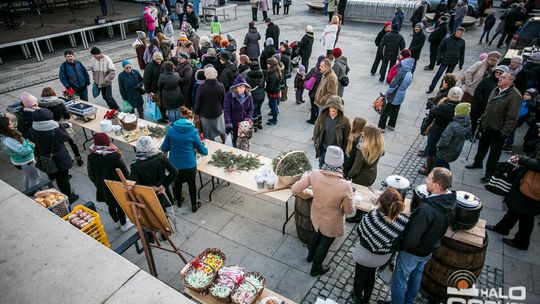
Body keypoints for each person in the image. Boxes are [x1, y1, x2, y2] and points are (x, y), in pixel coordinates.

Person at [387, 167, 455, 304]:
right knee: (416, 275)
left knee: (399, 281)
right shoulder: (451, 202)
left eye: (429, 178)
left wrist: (401, 247)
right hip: (428, 249)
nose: (426, 180)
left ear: (436, 185)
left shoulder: (426, 210)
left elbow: (412, 238)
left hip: (413, 251)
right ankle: (409, 301)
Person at [291, 145, 354, 276]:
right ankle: (316, 268)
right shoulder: (345, 185)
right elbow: (349, 211)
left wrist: (309, 193)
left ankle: (310, 257)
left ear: (326, 159)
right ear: (341, 163)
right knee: (324, 244)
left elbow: (294, 189)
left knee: (316, 234)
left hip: (316, 215)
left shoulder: (314, 174)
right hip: (331, 221)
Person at [352, 188, 408, 304]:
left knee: (360, 275)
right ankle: (366, 299)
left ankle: (357, 297)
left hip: (364, 256)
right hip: (382, 258)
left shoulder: (372, 217)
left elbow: (360, 231)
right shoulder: (402, 221)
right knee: (370, 274)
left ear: (381, 202)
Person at [466, 72, 521, 183]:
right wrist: (483, 119)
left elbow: (512, 117)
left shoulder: (515, 96)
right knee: (482, 146)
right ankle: (478, 162)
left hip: (499, 130)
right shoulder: (496, 89)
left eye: (503, 77)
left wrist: (504, 132)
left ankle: (489, 174)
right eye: (500, 76)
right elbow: (489, 107)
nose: (500, 78)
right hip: (487, 125)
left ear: (511, 81)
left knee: (494, 154)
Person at [486, 147, 540, 250]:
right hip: (527, 181)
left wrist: (522, 159)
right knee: (517, 207)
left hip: (532, 187)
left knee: (526, 215)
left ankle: (521, 242)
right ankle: (503, 228)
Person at [161, 107, 208, 212]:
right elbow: (202, 150)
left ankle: (178, 201)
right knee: (192, 184)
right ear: (190, 119)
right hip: (189, 165)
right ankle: (194, 205)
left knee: (177, 183)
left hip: (174, 165)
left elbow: (164, 148)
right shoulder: (193, 131)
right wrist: (205, 149)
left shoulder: (171, 130)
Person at [29, 108, 78, 203]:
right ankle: (68, 197)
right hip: (59, 158)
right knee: (63, 180)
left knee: (54, 173)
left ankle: (53, 177)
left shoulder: (32, 129)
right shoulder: (54, 129)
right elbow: (66, 137)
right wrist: (60, 126)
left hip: (44, 156)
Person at [87, 133, 134, 232]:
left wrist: (98, 184)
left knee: (110, 204)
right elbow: (124, 172)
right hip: (116, 185)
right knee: (120, 204)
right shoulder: (115, 156)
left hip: (102, 185)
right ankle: (124, 224)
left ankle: (116, 222)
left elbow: (91, 174)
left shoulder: (91, 156)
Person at [418, 87, 463, 175]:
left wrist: (432, 106)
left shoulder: (443, 106)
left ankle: (430, 169)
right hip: (449, 134)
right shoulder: (459, 108)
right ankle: (434, 170)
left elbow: (432, 114)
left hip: (437, 131)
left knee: (431, 151)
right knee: (440, 153)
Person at [38, 87, 84, 167]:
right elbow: (67, 116)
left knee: (60, 145)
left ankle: (68, 159)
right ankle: (78, 158)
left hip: (49, 127)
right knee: (72, 142)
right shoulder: (59, 103)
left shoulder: (40, 104)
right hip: (61, 124)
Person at [130, 136, 178, 210]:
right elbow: (174, 172)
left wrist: (152, 188)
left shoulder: (136, 165)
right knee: (162, 210)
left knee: (154, 212)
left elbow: (134, 182)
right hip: (161, 190)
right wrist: (163, 186)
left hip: (148, 193)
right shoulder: (161, 156)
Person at [0, 116, 41, 191]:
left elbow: (21, 142)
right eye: (9, 124)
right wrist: (31, 145)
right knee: (35, 179)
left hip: (19, 161)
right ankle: (34, 193)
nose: (12, 124)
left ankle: (28, 190)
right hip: (26, 161)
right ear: (4, 128)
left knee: (28, 176)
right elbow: (24, 151)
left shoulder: (6, 134)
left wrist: (27, 142)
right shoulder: (8, 140)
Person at [378, 55, 413, 132]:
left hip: (394, 94)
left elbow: (394, 84)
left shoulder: (402, 72)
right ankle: (391, 125)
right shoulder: (410, 73)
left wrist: (387, 92)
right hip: (401, 95)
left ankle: (381, 127)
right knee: (395, 110)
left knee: (386, 110)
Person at [313, 95, 351, 166]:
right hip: (324, 149)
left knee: (333, 169)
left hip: (336, 150)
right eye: (331, 106)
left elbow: (347, 137)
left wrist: (344, 150)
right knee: (322, 166)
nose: (334, 109)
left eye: (336, 107)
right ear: (328, 107)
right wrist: (316, 143)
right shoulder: (322, 118)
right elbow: (316, 132)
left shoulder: (345, 121)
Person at [426, 27, 465, 93]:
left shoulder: (462, 42)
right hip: (445, 60)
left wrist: (461, 64)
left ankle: (442, 89)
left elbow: (462, 53)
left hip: (453, 62)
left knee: (448, 78)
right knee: (438, 74)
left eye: (461, 33)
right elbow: (440, 49)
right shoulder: (447, 39)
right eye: (459, 33)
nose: (460, 34)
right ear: (456, 32)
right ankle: (431, 88)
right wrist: (438, 60)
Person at [470, 65, 507, 135]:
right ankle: (472, 133)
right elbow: (478, 90)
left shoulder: (503, 85)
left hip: (491, 107)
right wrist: (481, 101)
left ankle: (478, 133)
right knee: (474, 119)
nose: (498, 74)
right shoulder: (487, 80)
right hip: (480, 105)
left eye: (500, 73)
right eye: (497, 72)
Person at [434, 102, 472, 169]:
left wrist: (438, 146)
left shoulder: (452, 126)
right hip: (455, 151)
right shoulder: (468, 123)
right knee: (444, 164)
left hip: (445, 152)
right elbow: (468, 136)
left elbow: (444, 140)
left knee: (439, 166)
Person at [194, 67, 227, 142]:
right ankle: (224, 140)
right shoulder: (221, 86)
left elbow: (198, 102)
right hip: (218, 111)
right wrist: (222, 109)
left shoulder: (201, 87)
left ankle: (212, 144)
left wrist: (196, 112)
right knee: (220, 128)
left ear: (206, 75)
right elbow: (223, 100)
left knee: (208, 132)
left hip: (205, 113)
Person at [224, 75, 255, 146]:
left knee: (244, 142)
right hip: (234, 124)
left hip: (245, 125)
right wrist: (228, 123)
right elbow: (226, 111)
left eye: (243, 87)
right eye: (240, 87)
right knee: (235, 142)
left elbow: (251, 108)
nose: (242, 89)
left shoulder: (248, 95)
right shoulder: (230, 96)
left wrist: (248, 117)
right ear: (235, 88)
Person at [143, 52, 166, 123]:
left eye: (160, 59)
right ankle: (160, 118)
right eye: (157, 59)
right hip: (154, 89)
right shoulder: (149, 67)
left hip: (162, 88)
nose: (159, 61)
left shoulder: (163, 64)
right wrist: (148, 91)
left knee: (163, 103)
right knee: (158, 104)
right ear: (154, 59)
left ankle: (164, 115)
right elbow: (146, 80)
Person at [246, 61, 266, 132]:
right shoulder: (261, 74)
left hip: (253, 95)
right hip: (261, 95)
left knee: (254, 110)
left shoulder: (248, 75)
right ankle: (259, 124)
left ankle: (255, 126)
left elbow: (247, 87)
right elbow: (263, 85)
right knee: (259, 109)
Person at [306, 55, 325, 124]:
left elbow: (307, 77)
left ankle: (312, 119)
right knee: (317, 106)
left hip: (313, 91)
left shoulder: (315, 69)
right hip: (320, 92)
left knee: (313, 106)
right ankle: (317, 117)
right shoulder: (325, 71)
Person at [265, 57, 283, 125]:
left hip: (273, 92)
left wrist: (266, 90)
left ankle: (274, 119)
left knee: (273, 105)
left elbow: (271, 86)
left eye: (268, 63)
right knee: (273, 105)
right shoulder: (276, 70)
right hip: (276, 91)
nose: (267, 65)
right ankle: (274, 115)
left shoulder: (272, 74)